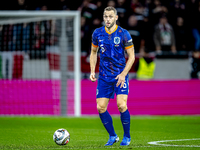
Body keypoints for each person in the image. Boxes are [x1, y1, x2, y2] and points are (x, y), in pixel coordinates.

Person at [89, 6, 135, 146]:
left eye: (110, 16)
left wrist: (123, 74)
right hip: (104, 76)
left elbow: (132, 56)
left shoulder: (123, 33)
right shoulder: (97, 33)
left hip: (120, 75)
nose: (107, 19)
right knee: (100, 107)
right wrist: (92, 71)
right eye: (105, 16)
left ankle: (126, 137)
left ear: (116, 17)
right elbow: (93, 52)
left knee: (121, 105)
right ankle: (113, 136)